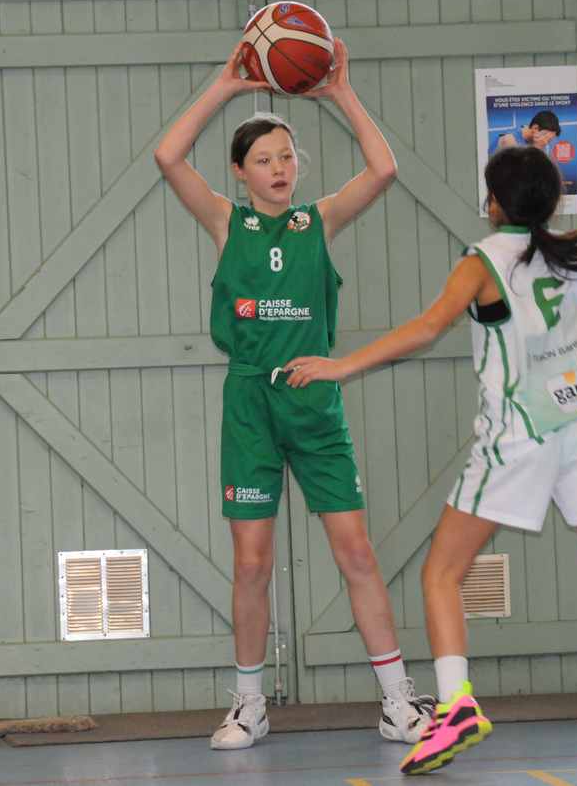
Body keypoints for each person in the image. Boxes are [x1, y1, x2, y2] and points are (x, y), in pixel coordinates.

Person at [284, 146, 577, 773]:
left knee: (441, 573)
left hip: (518, 435)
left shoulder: (483, 260)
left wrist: (340, 365)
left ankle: (456, 706)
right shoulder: (570, 263)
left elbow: (426, 329)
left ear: (494, 202)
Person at [153, 39, 435, 751]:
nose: (279, 168)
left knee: (357, 553)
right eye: (264, 159)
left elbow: (384, 169)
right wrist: (225, 86)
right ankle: (250, 704)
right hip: (250, 400)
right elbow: (167, 156)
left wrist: (340, 93)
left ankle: (397, 701)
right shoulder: (227, 222)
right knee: (251, 562)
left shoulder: (319, 220)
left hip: (313, 400)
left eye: (286, 156)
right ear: (240, 172)